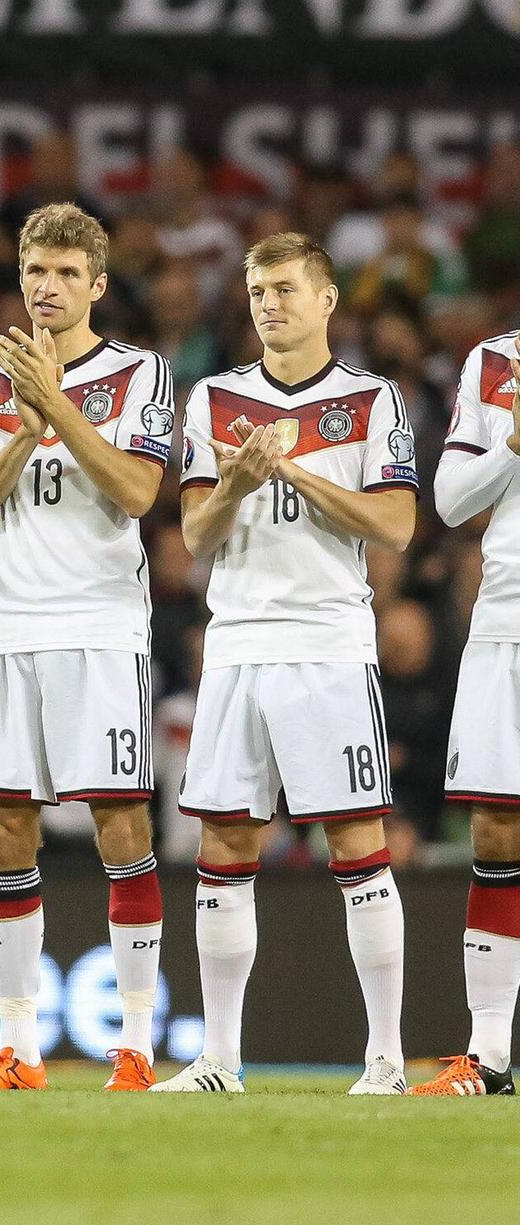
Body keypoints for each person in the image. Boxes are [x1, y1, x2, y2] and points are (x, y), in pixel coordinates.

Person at [152, 232, 417, 1096]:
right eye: (258, 290)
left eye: (286, 289)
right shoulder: (216, 399)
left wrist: (293, 470)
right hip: (237, 642)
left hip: (328, 642)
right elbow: (194, 538)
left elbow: (396, 527)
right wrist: (236, 482)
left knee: (356, 842)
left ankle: (385, 1056)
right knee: (225, 841)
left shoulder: (372, 402)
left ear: (327, 299)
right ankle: (219, 1059)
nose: (269, 303)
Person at [0, 203, 175, 1091]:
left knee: (120, 822)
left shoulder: (139, 372)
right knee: (5, 827)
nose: (48, 287)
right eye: (36, 271)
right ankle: (21, 1051)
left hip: (100, 624)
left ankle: (137, 1048)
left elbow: (135, 490)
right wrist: (23, 423)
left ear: (98, 286)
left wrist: (58, 408)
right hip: (8, 625)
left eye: (67, 274)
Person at [409, 332, 520, 1097]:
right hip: (507, 617)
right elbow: (450, 502)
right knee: (496, 827)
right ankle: (489, 1055)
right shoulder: (497, 363)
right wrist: (514, 440)